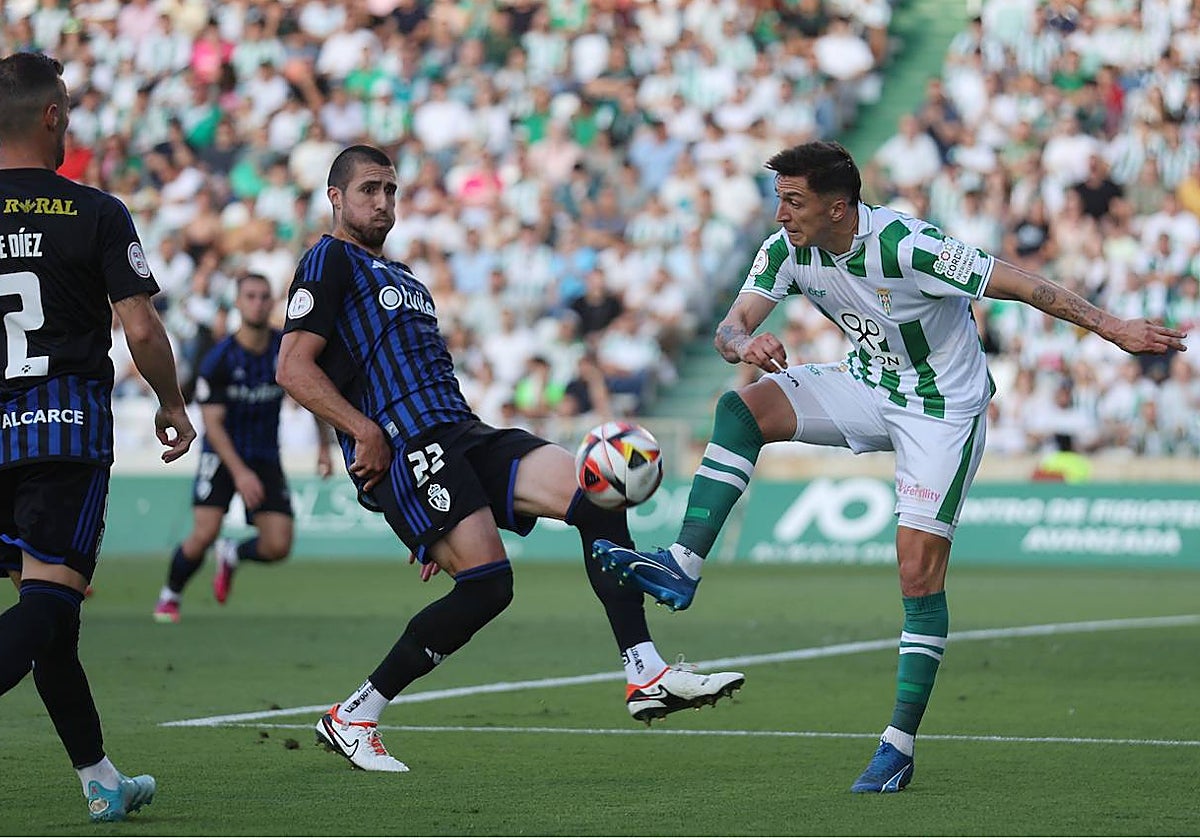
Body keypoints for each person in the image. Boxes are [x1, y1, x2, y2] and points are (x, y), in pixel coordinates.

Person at [595, 140, 1186, 794]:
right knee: (742, 410)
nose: (782, 214)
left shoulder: (909, 245)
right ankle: (682, 564)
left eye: (793, 201)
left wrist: (1112, 327)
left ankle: (898, 746)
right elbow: (729, 328)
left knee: (916, 573)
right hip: (868, 383)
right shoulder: (788, 248)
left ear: (838, 207)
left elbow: (1024, 285)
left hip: (942, 411)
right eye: (779, 200)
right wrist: (745, 343)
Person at [275, 144, 744, 773]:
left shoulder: (404, 276)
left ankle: (646, 673)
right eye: (369, 190)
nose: (383, 202)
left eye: (390, 190)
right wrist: (364, 433)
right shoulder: (329, 259)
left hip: (462, 433)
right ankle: (354, 715)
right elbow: (293, 368)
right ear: (335, 197)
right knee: (490, 586)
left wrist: (439, 513)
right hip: (409, 444)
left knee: (596, 492)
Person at [0, 53, 195, 821]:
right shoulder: (95, 212)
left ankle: (100, 779)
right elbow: (139, 327)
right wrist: (170, 402)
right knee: (52, 600)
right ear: (52, 116)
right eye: (69, 112)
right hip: (59, 433)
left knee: (53, 617)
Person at [152, 273, 332, 623]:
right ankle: (170, 594)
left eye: (264, 296)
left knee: (278, 545)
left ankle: (232, 553)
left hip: (264, 456)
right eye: (250, 296)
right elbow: (213, 424)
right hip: (221, 456)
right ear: (237, 302)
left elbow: (314, 393)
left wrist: (324, 448)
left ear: (272, 302)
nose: (258, 303)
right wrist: (240, 473)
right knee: (204, 533)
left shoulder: (285, 350)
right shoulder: (219, 359)